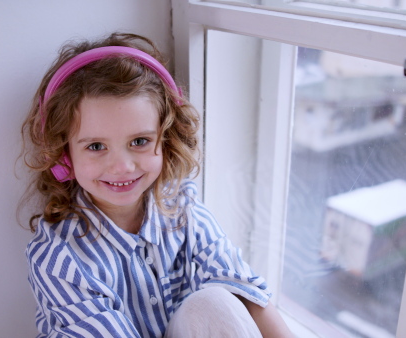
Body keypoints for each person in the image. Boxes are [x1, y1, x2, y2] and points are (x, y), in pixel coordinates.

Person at [21, 32, 293, 337]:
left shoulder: (181, 207)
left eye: (139, 141)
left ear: (165, 140)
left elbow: (246, 291)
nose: (122, 167)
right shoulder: (59, 256)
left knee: (214, 303)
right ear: (64, 156)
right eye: (96, 146)